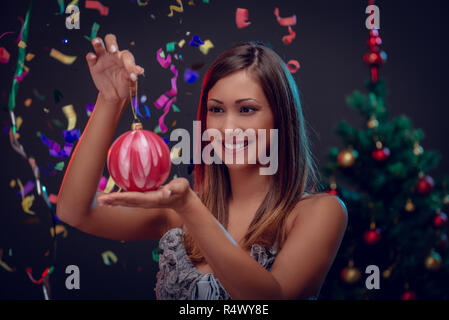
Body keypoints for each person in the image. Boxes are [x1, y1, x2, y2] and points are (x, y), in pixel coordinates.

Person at [56, 34, 348, 300]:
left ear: (280, 119)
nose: (228, 128)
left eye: (247, 109)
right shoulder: (176, 212)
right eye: (216, 110)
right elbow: (75, 211)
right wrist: (111, 100)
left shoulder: (320, 213)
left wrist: (189, 207)